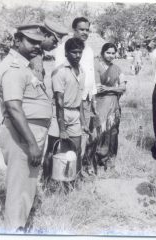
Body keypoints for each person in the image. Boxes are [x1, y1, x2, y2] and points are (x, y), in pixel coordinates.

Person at [0, 25, 51, 232]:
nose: (37, 46)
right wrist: (32, 144)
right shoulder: (14, 68)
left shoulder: (24, 66)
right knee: (19, 187)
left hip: (29, 132)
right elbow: (13, 107)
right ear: (17, 41)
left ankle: (19, 226)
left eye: (39, 42)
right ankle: (14, 230)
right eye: (31, 41)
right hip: (22, 135)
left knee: (26, 184)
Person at [54, 17, 97, 174]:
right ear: (74, 30)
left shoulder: (89, 50)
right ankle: (62, 173)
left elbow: (90, 74)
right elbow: (61, 78)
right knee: (65, 141)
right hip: (67, 102)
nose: (85, 32)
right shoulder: (62, 49)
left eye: (87, 30)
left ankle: (80, 170)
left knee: (84, 137)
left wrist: (93, 97)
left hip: (84, 98)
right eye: (81, 29)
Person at [42, 38, 87, 183]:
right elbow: (59, 102)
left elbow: (79, 99)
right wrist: (62, 128)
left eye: (80, 52)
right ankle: (47, 181)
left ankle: (74, 179)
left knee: (76, 150)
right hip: (59, 114)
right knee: (52, 150)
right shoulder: (59, 71)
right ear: (66, 53)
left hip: (75, 114)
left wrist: (83, 121)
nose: (77, 55)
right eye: (74, 52)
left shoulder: (82, 72)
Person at [84, 43, 127, 170]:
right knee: (98, 131)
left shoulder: (117, 68)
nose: (111, 55)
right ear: (102, 53)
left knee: (112, 132)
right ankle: (93, 160)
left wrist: (109, 88)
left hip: (114, 105)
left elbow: (123, 87)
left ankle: (110, 160)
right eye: (108, 52)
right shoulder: (96, 66)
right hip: (99, 103)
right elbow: (98, 88)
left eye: (113, 53)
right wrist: (116, 89)